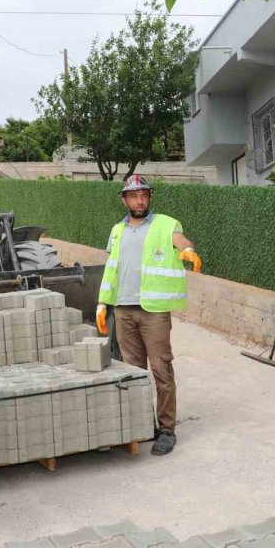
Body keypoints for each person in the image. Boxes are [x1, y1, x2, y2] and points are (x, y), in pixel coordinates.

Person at [95, 175, 202, 456]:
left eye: (144, 195)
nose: (140, 201)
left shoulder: (166, 224)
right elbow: (111, 268)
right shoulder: (117, 230)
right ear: (124, 200)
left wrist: (187, 249)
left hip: (153, 311)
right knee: (133, 372)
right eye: (134, 196)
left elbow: (180, 239)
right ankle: (144, 424)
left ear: (149, 198)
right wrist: (102, 303)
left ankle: (166, 430)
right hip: (123, 309)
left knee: (161, 368)